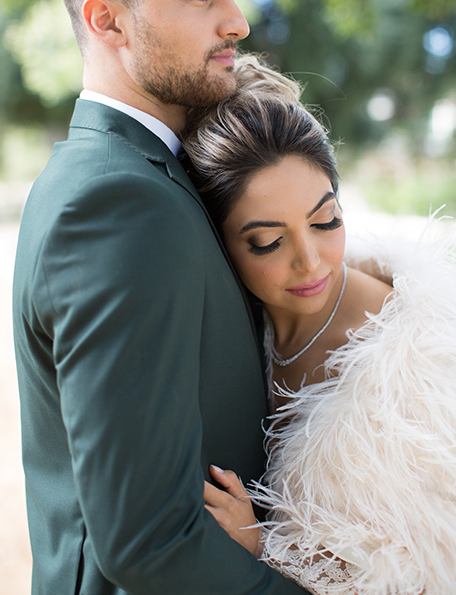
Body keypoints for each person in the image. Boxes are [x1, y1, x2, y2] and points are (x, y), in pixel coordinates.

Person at [12, 0, 306, 595]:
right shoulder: (116, 202)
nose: (236, 21)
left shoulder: (145, 175)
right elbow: (147, 542)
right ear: (106, 20)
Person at [183, 55, 456, 595]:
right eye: (267, 241)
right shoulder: (234, 327)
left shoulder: (417, 357)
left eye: (325, 220)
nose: (310, 261)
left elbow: (424, 573)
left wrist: (264, 548)